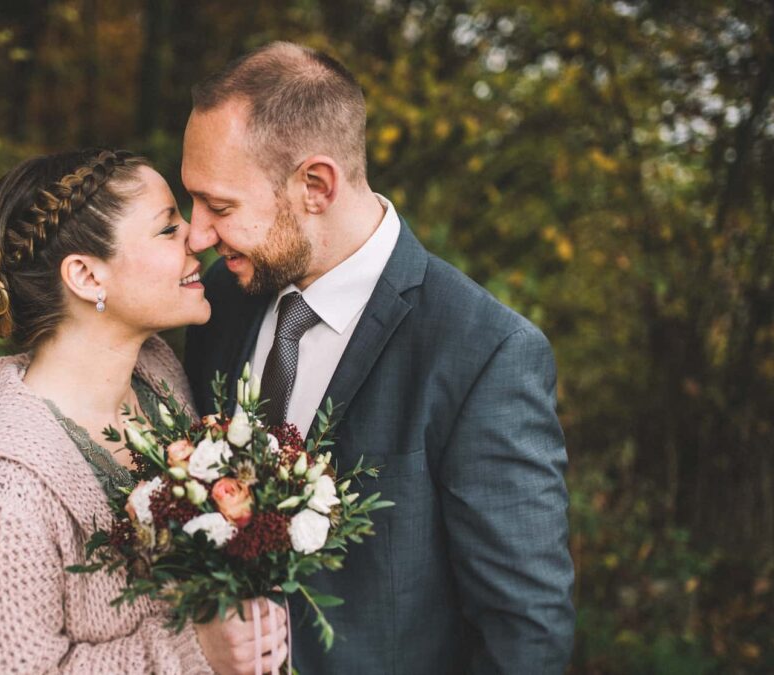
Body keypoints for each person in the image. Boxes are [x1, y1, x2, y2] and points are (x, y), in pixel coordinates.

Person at [182, 43, 575, 673]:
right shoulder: (222, 301)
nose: (197, 234)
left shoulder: (484, 353)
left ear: (316, 186)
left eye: (220, 207)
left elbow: (524, 632)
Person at [0, 149, 287, 674]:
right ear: (87, 276)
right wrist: (190, 653)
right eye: (168, 228)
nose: (198, 238)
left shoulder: (160, 378)